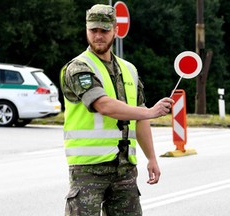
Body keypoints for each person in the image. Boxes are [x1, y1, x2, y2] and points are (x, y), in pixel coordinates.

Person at [60, 4, 174, 216]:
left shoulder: (129, 69)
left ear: (116, 31)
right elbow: (103, 105)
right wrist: (150, 111)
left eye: (104, 30)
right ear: (86, 30)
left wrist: (151, 158)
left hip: (124, 168)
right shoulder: (78, 67)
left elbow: (139, 117)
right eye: (93, 30)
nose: (98, 36)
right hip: (88, 169)